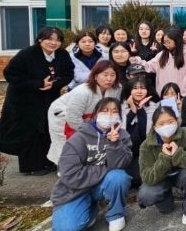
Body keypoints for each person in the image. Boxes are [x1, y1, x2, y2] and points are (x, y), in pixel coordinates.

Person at [0, 27, 74, 176]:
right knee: (30, 131)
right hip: (24, 98)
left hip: (49, 96)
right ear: (40, 39)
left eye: (57, 40)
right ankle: (30, 166)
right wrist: (37, 84)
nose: (53, 43)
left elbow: (69, 73)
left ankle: (47, 161)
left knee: (46, 127)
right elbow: (10, 73)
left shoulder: (62, 54)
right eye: (49, 39)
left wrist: (54, 84)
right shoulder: (27, 54)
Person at [51, 98, 132, 231]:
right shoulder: (78, 138)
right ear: (95, 114)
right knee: (67, 228)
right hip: (75, 190)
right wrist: (106, 168)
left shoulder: (122, 135)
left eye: (114, 111)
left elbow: (122, 164)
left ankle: (116, 214)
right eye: (104, 111)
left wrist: (114, 143)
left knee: (119, 177)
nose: (109, 115)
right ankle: (89, 209)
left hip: (101, 185)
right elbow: (70, 174)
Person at [137, 106, 186, 225]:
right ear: (154, 127)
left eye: (170, 122)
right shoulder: (146, 145)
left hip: (183, 174)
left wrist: (178, 154)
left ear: (177, 121)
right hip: (161, 178)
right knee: (146, 194)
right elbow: (147, 176)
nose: (166, 126)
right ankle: (166, 201)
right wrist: (164, 158)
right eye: (161, 124)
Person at [47, 60, 122, 166]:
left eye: (112, 75)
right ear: (95, 76)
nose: (109, 79)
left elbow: (113, 107)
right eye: (105, 75)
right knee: (66, 142)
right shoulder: (82, 91)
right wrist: (91, 132)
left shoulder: (116, 88)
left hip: (90, 116)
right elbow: (73, 117)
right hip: (63, 114)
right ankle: (64, 167)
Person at [121, 76, 159, 188]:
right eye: (135, 88)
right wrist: (133, 110)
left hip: (144, 151)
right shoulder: (121, 106)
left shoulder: (153, 106)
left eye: (142, 88)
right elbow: (122, 131)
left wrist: (140, 109)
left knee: (138, 178)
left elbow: (145, 134)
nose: (139, 91)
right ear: (129, 90)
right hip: (125, 150)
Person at [132, 28, 186, 96]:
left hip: (180, 95)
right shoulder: (161, 55)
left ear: (177, 41)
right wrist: (138, 61)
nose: (166, 44)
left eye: (168, 42)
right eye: (164, 42)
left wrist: (184, 94)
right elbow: (149, 66)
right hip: (164, 94)